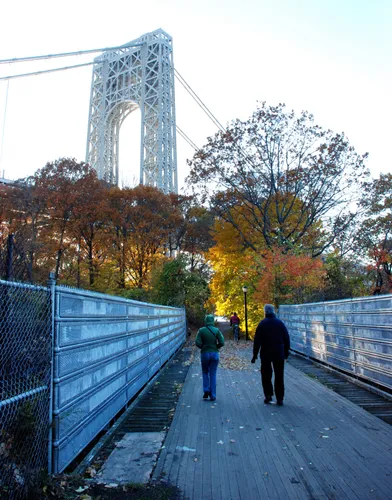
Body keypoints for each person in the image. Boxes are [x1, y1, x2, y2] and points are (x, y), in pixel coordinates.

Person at [251, 304, 290, 406]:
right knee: (279, 376)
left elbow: (257, 341)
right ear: (274, 312)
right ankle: (280, 398)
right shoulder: (280, 323)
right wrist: (286, 353)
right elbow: (286, 339)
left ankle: (268, 395)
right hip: (278, 353)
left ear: (265, 312)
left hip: (266, 353)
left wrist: (255, 355)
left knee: (266, 375)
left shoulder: (262, 324)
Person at [195, 314, 225, 401]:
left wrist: (203, 347)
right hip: (215, 354)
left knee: (205, 372)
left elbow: (197, 342)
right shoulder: (216, 330)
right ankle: (213, 395)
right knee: (213, 373)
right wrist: (216, 347)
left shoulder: (201, 330)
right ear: (212, 321)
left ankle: (206, 390)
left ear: (205, 320)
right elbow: (222, 342)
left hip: (205, 353)